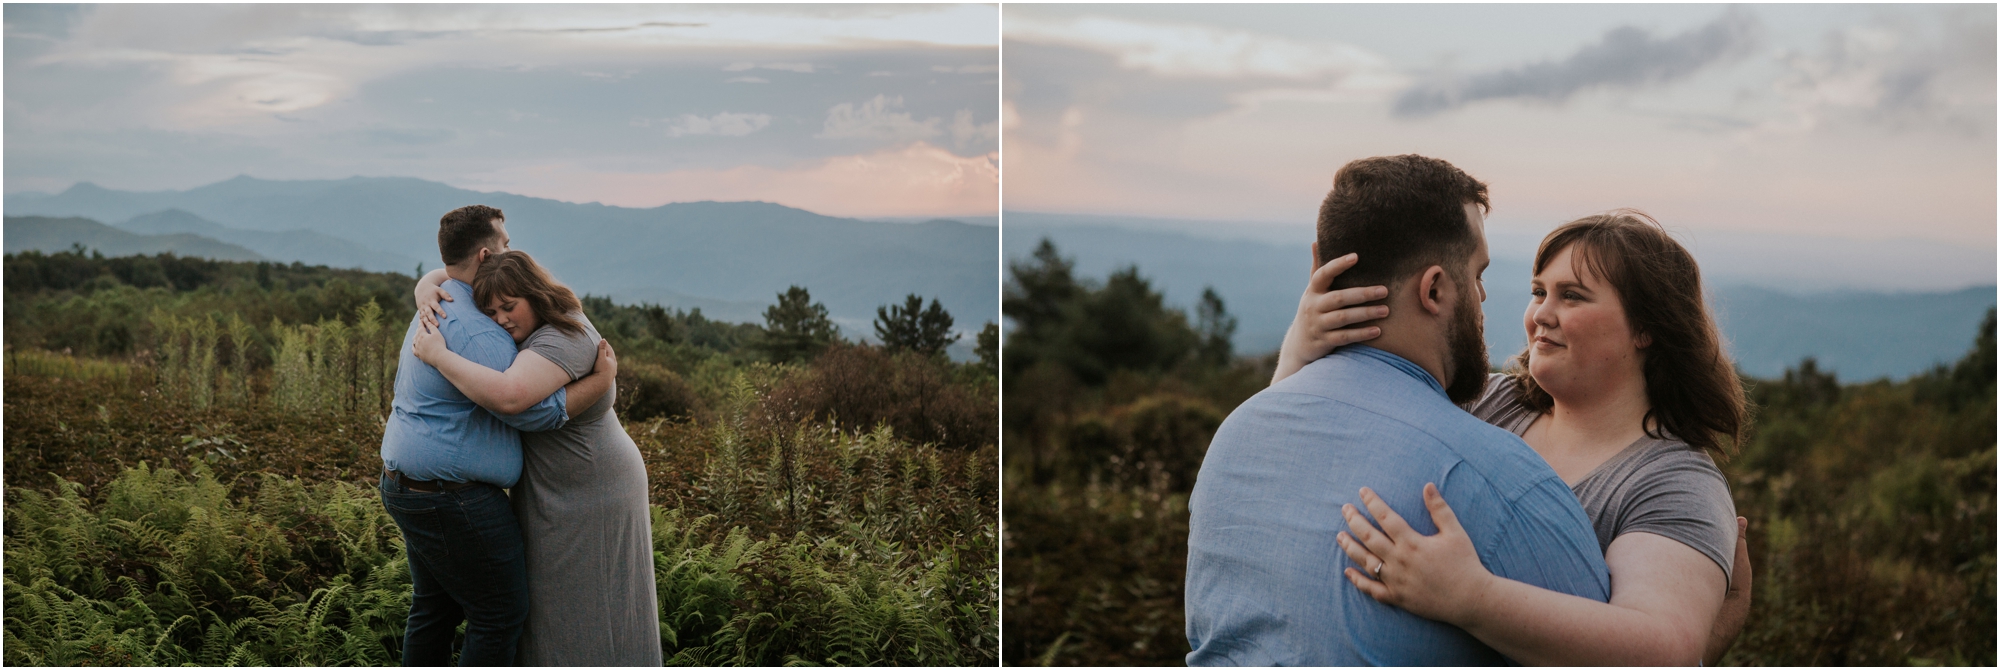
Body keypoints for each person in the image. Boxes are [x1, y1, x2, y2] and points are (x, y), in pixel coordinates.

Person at [1184, 154, 1611, 665]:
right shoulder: (1506, 483)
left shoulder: (1235, 438)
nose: (1482, 296)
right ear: (1433, 289)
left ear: (1321, 262)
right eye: (1477, 275)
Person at [1276, 209, 1754, 665]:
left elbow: (1662, 651)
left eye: (1572, 296)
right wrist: (1301, 347)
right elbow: (1317, 446)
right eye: (1538, 292)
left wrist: (1471, 598)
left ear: (1647, 327)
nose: (1541, 315)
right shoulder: (1485, 400)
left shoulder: (1673, 483)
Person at [378, 204, 617, 666]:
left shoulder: (443, 294)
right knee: (499, 615)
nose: (514, 250)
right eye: (506, 244)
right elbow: (527, 408)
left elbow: (437, 275)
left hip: (410, 483)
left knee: (434, 607)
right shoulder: (480, 332)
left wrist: (423, 283)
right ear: (485, 255)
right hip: (452, 499)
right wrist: (599, 381)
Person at [411, 249, 663, 666]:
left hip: (592, 487)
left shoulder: (565, 335)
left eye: (509, 307)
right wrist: (426, 288)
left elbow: (515, 402)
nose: (502, 319)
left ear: (534, 293)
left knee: (594, 602)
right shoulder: (528, 321)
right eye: (491, 312)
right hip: (550, 489)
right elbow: (452, 272)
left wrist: (439, 356)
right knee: (554, 604)